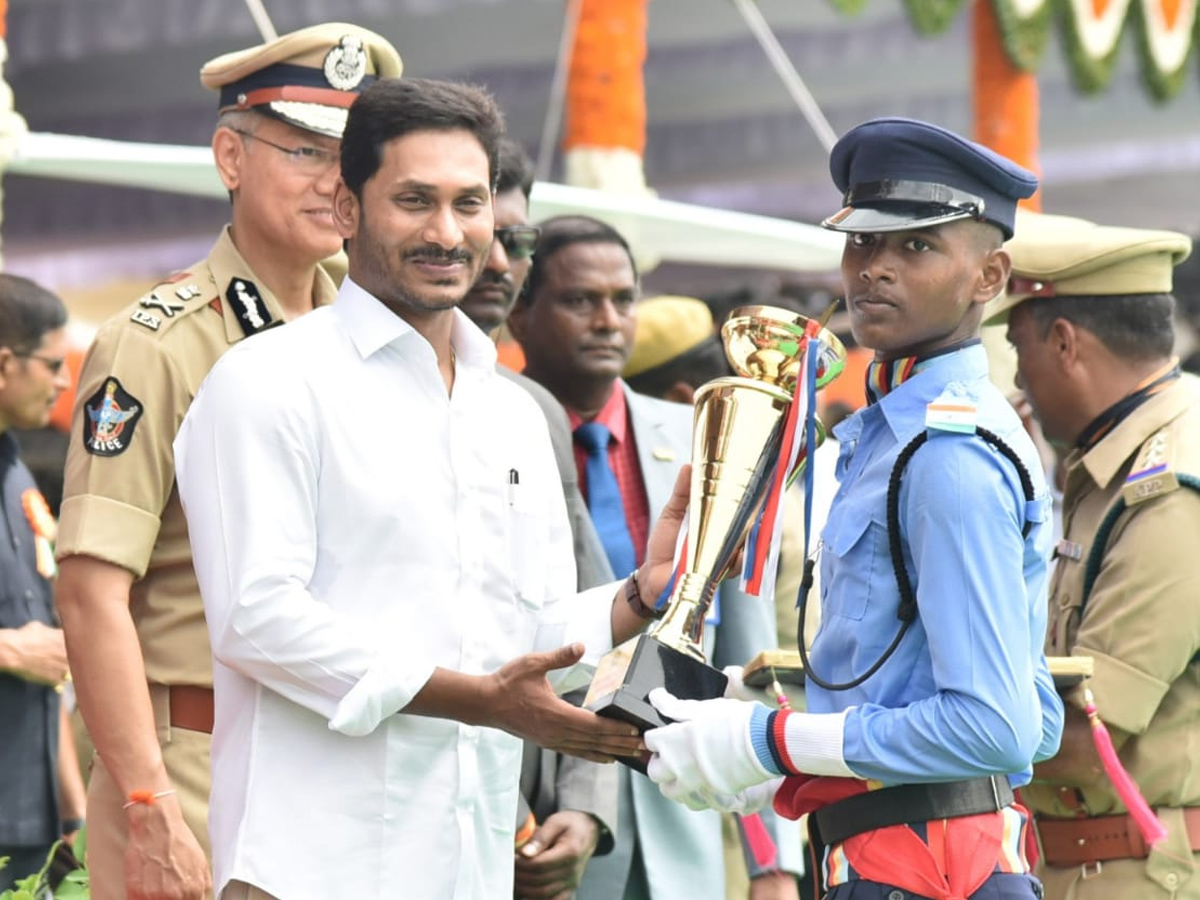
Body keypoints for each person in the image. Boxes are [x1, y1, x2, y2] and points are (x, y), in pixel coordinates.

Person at [172, 76, 689, 900]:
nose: (448, 233)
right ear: (348, 209)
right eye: (415, 200)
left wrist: (640, 595)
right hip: (308, 868)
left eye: (469, 203)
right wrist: (480, 703)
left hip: (469, 865)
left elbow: (530, 631)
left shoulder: (512, 413)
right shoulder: (266, 382)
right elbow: (255, 618)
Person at [637, 118, 1066, 900]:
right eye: (863, 244)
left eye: (918, 247)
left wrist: (771, 742)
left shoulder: (948, 456)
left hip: (929, 873)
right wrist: (769, 720)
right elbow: (1032, 715)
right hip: (902, 859)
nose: (875, 270)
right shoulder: (895, 431)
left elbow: (997, 728)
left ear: (990, 276)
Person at [52, 24, 402, 900]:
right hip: (195, 766)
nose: (334, 179)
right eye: (304, 149)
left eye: (351, 154)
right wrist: (146, 805)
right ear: (229, 157)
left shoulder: (372, 346)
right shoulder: (155, 345)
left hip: (339, 756)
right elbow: (92, 592)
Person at [507, 216, 804, 900]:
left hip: (685, 814)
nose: (608, 320)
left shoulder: (702, 429)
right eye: (581, 300)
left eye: (623, 299)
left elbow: (749, 648)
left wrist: (774, 863)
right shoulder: (496, 432)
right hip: (542, 817)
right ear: (520, 312)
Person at [985, 214, 1200, 900]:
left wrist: (878, 738)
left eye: (1019, 348)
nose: (1017, 382)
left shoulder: (1168, 491)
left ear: (1065, 342)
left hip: (1137, 873)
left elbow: (1085, 738)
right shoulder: (1117, 464)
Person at [459, 137, 618, 899]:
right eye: (478, 232)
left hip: (537, 836)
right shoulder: (326, 392)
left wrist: (585, 807)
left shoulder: (533, 413)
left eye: (516, 240)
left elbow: (583, 631)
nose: (497, 261)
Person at [0, 274, 84, 891]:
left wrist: (72, 809)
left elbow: (46, 651)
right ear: (6, 363)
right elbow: (25, 647)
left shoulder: (17, 472)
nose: (63, 381)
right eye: (52, 364)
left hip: (31, 824)